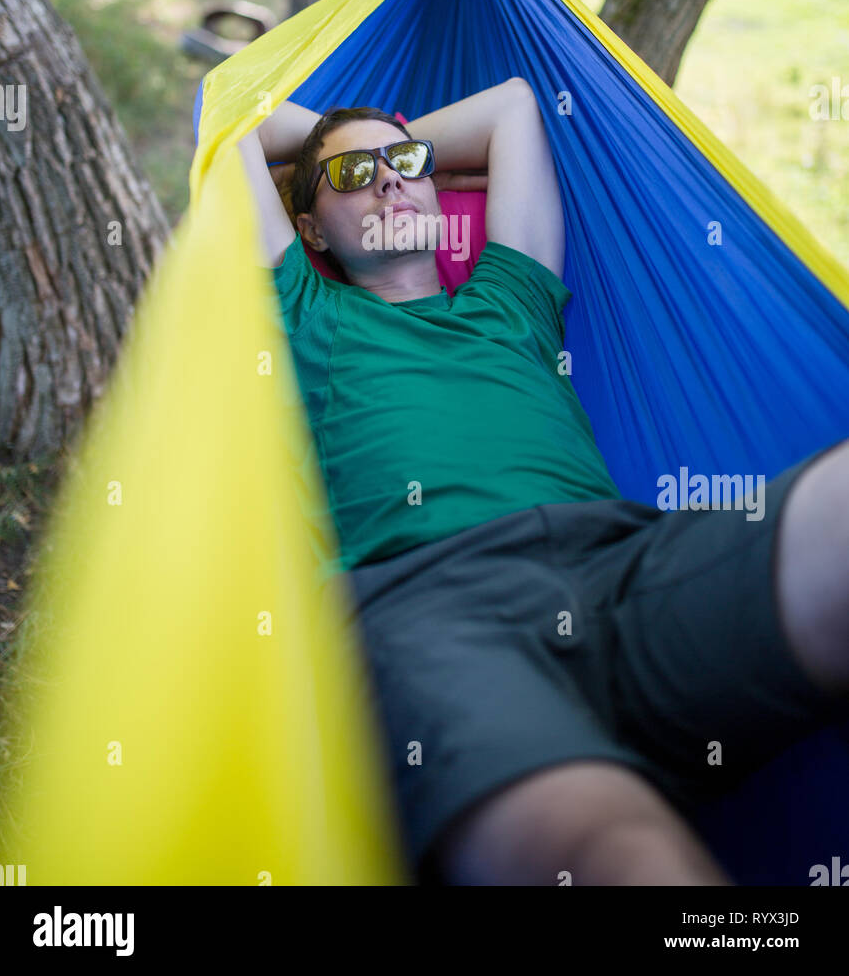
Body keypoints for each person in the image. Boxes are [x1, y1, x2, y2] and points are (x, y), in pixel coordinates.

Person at [237, 76, 849, 887]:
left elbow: (515, 105)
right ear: (308, 226)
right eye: (354, 179)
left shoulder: (510, 301)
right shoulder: (306, 309)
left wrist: (360, 152)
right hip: (428, 609)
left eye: (406, 164)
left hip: (624, 568)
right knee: (610, 853)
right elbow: (235, 128)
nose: (389, 180)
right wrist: (343, 143)